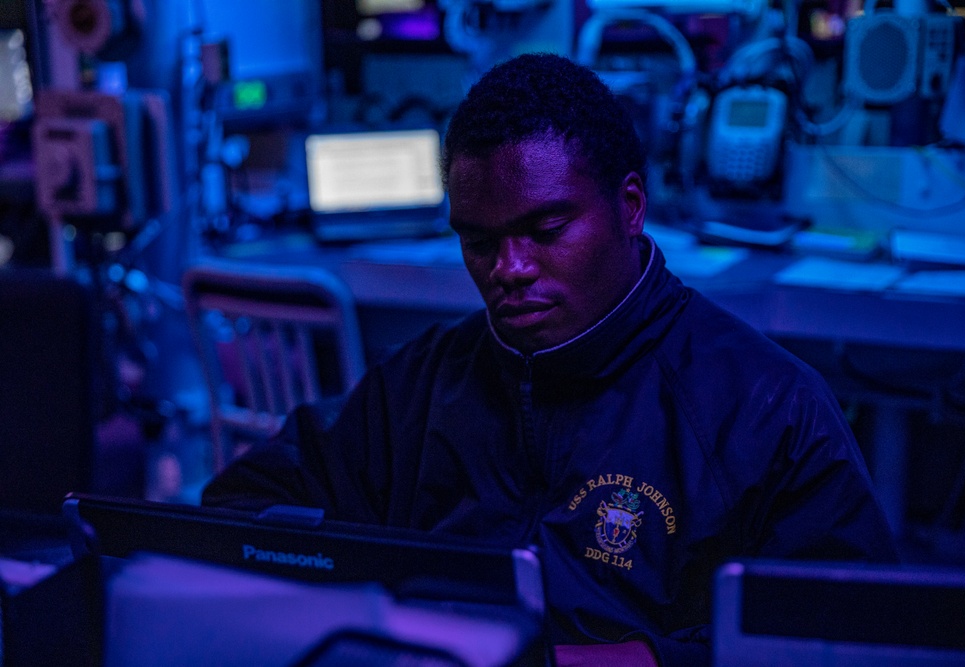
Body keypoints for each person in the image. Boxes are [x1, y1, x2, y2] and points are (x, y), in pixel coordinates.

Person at [203, 53, 898, 665]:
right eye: (479, 241)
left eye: (546, 230)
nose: (509, 268)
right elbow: (236, 515)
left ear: (630, 206)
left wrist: (650, 660)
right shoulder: (419, 385)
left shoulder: (766, 411)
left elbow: (854, 637)